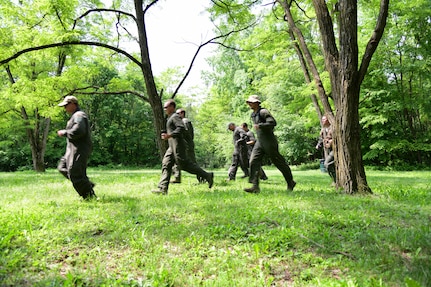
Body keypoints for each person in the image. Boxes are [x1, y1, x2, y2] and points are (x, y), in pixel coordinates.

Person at [152, 99, 214, 195]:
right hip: (171, 147)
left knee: (184, 165)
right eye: (164, 107)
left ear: (172, 107)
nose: (164, 109)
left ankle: (207, 175)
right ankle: (162, 189)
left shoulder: (175, 117)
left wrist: (170, 135)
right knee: (166, 164)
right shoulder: (170, 118)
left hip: (178, 146)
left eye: (166, 107)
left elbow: (181, 128)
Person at [244, 95, 296, 193]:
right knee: (253, 161)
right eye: (248, 102)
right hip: (260, 141)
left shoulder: (263, 112)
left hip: (269, 141)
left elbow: (273, 123)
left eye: (251, 102)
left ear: (256, 103)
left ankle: (290, 182)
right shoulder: (253, 114)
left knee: (278, 162)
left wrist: (260, 125)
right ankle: (255, 186)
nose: (249, 104)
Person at [57, 96, 96, 200]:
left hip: (79, 148)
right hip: (71, 149)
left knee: (75, 172)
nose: (65, 108)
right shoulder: (74, 116)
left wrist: (65, 132)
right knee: (62, 167)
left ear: (73, 104)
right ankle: (86, 185)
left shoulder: (79, 115)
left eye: (66, 105)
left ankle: (89, 196)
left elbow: (79, 130)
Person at [172, 108, 204, 184]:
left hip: (187, 146)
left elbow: (185, 133)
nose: (176, 115)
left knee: (192, 163)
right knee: (176, 160)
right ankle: (177, 178)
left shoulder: (185, 121)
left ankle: (203, 177)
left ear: (182, 114)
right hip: (183, 145)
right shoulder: (181, 122)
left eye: (178, 113)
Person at [316, 115, 336, 183]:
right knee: (331, 165)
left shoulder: (333, 128)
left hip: (335, 149)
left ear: (328, 120)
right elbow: (321, 138)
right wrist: (319, 145)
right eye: (322, 119)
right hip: (328, 150)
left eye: (324, 119)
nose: (323, 121)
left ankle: (335, 181)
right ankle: (335, 180)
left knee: (327, 164)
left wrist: (331, 141)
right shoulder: (323, 129)